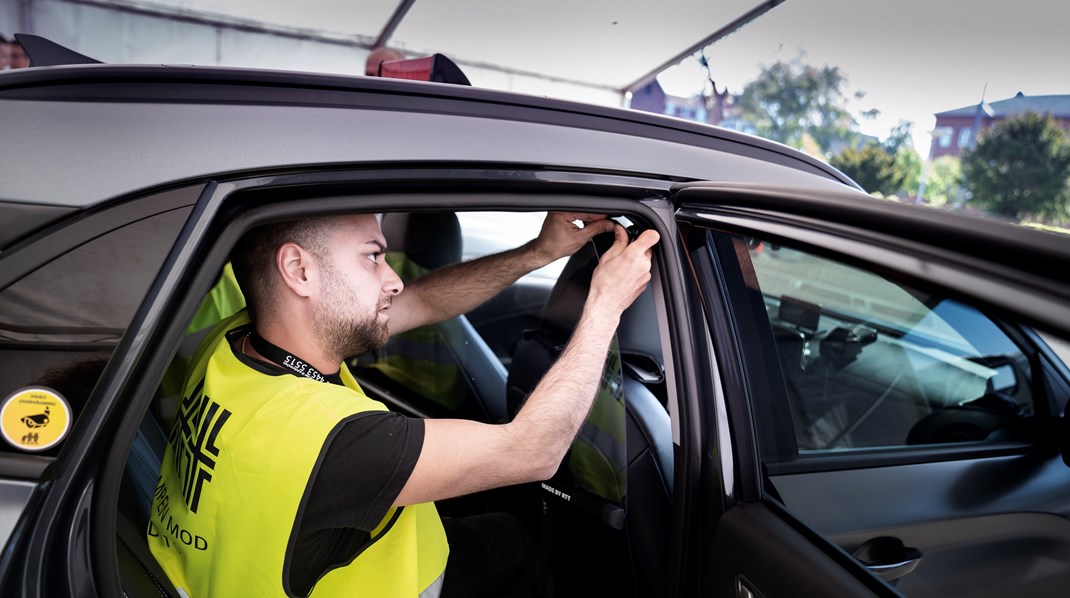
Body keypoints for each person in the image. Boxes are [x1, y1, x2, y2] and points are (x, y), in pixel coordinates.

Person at [146, 211, 659, 597]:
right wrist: (605, 304)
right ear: (299, 270)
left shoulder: (231, 344)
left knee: (504, 539)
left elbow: (421, 301)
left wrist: (537, 252)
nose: (392, 278)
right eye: (373, 256)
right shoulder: (330, 442)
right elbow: (534, 451)